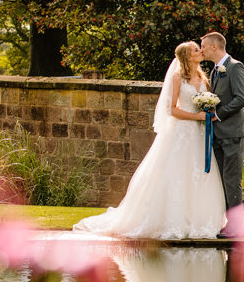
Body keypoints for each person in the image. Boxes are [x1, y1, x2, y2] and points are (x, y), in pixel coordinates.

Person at [73, 41, 226, 240]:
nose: (200, 51)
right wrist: (195, 117)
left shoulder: (203, 77)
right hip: (181, 133)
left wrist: (208, 113)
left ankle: (200, 221)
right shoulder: (178, 77)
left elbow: (207, 103)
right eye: (196, 50)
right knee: (176, 175)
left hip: (199, 135)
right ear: (188, 57)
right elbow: (171, 110)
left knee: (200, 174)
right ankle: (171, 220)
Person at [199, 31, 244, 237]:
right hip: (219, 135)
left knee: (231, 180)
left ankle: (236, 227)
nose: (201, 50)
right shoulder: (214, 71)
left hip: (232, 133)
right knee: (222, 181)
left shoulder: (235, 66)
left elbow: (241, 98)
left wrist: (217, 115)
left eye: (203, 46)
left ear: (214, 47)